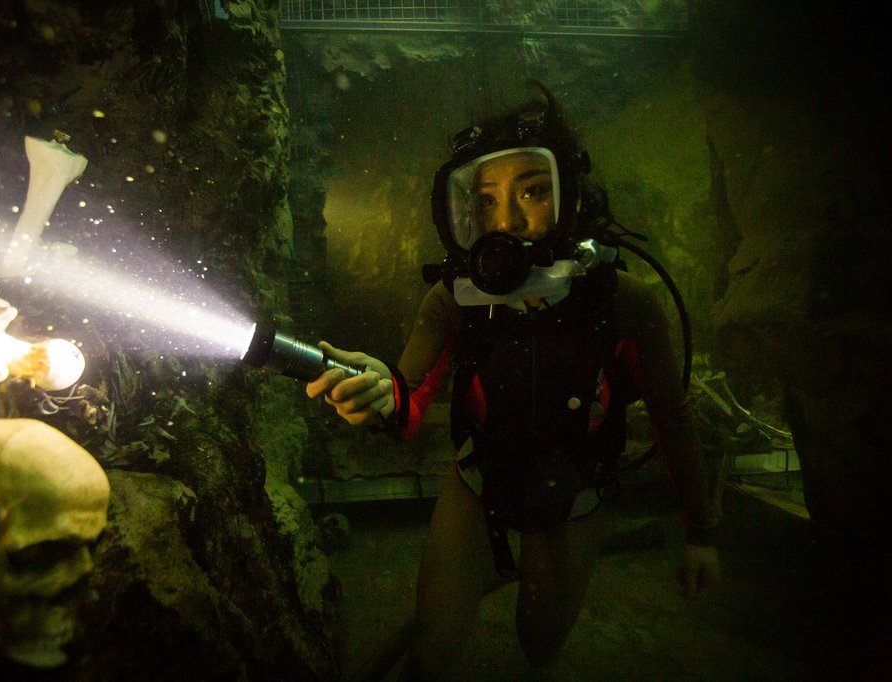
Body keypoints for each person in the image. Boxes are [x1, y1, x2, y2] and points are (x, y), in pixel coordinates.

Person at [306, 82, 721, 679]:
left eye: (533, 191)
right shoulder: (453, 301)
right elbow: (409, 401)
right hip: (479, 484)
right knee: (432, 649)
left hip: (575, 495)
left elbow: (670, 412)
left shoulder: (623, 301)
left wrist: (701, 533)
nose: (507, 221)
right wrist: (375, 389)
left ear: (571, 196)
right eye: (486, 200)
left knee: (538, 645)